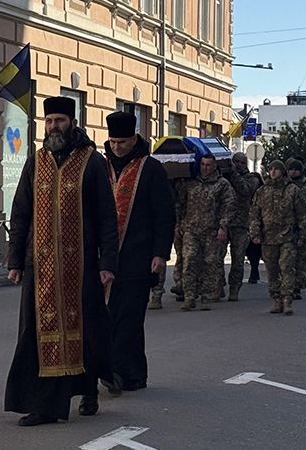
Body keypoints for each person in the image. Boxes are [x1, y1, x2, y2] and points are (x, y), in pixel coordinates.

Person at [5, 96, 118, 426]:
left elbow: (106, 216)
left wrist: (107, 263)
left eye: (60, 120)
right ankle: (46, 405)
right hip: (38, 266)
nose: (54, 126)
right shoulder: (36, 161)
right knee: (35, 334)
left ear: (73, 123)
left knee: (87, 331)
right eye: (50, 120)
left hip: (81, 265)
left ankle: (89, 390)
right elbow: (21, 212)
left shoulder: (91, 162)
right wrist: (14, 261)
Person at [101, 111, 174, 391]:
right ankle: (134, 374)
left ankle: (118, 372)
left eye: (122, 142)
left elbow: (164, 214)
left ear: (134, 139)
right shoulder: (102, 166)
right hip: (106, 257)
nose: (116, 147)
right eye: (113, 142)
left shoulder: (150, 169)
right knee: (109, 315)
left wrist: (160, 253)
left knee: (129, 317)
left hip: (139, 256)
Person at [248, 160, 306, 314]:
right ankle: (276, 299)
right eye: (271, 169)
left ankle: (287, 299)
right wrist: (255, 233)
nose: (273, 172)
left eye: (276, 169)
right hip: (268, 237)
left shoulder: (292, 190)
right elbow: (254, 214)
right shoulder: (262, 191)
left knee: (287, 268)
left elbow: (302, 214)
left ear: (282, 171)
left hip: (287, 236)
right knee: (272, 270)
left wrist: (303, 234)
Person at [175, 154, 236, 310]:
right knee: (189, 262)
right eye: (202, 164)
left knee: (210, 264)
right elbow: (180, 203)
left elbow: (229, 206)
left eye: (208, 165)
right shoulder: (190, 182)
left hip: (211, 231)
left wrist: (223, 226)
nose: (205, 168)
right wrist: (179, 223)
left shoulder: (222, 184)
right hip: (191, 230)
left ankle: (206, 297)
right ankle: (189, 297)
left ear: (214, 166)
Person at [223, 152, 261, 301]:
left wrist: (233, 173)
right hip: (223, 223)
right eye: (235, 162)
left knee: (238, 259)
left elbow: (245, 190)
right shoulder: (224, 178)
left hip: (241, 224)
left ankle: (234, 288)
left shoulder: (252, 178)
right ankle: (217, 285)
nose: (238, 165)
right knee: (215, 257)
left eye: (241, 162)